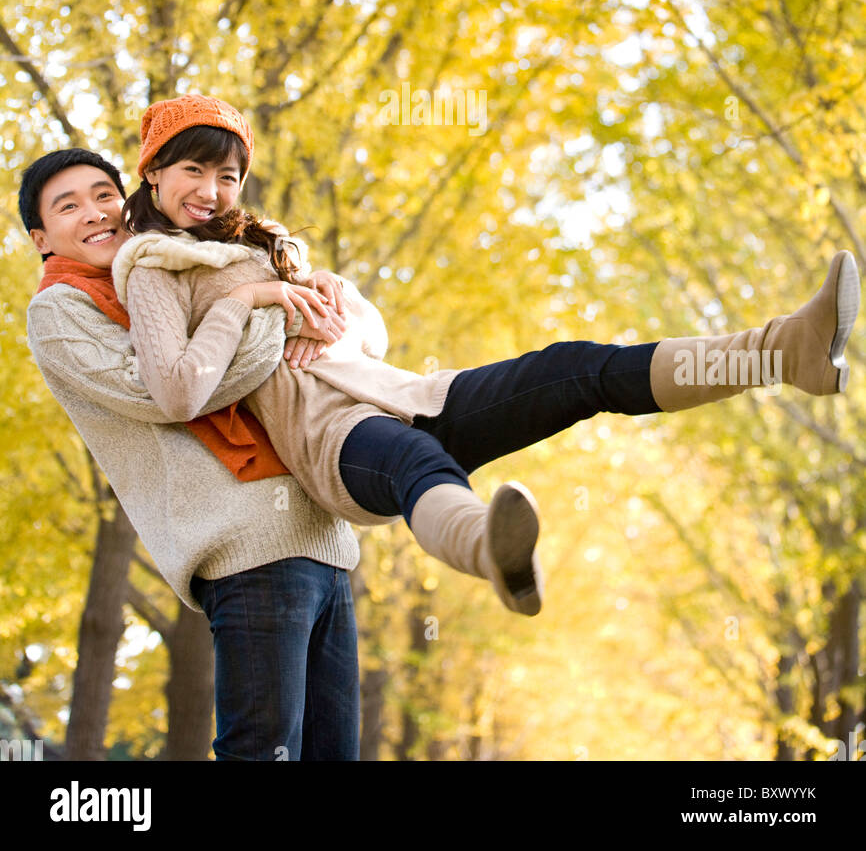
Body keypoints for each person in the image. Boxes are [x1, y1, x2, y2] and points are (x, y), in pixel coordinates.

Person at [115, 94, 862, 621]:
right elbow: (179, 390)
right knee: (417, 466)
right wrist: (248, 305)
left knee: (578, 369)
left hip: (409, 391)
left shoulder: (267, 244)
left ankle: (780, 351)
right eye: (193, 172)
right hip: (332, 442)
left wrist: (333, 303)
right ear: (153, 173)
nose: (212, 192)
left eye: (227, 176)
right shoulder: (154, 268)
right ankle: (493, 553)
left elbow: (368, 333)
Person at [20, 148, 362, 762]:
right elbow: (172, 389)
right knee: (261, 752)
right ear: (41, 238)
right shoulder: (59, 311)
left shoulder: (171, 271)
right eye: (68, 206)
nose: (97, 213)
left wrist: (303, 294)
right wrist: (272, 306)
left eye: (104, 194)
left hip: (320, 534)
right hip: (246, 547)